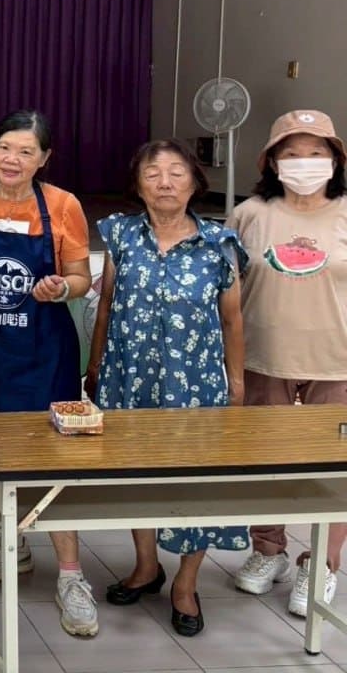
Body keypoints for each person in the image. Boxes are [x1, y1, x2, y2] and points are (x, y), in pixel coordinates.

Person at [0, 111, 97, 638]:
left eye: (26, 151)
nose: (13, 159)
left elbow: (81, 277)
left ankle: (73, 577)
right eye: (5, 148)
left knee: (54, 455)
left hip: (42, 349)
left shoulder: (62, 205)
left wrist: (63, 288)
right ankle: (14, 542)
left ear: (45, 158)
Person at [88, 139, 247, 638]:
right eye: (152, 173)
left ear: (196, 183)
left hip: (196, 385)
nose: (164, 182)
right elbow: (108, 305)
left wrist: (236, 380)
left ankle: (186, 582)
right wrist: (94, 368)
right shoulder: (120, 236)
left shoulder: (219, 244)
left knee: (193, 479)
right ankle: (145, 566)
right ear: (137, 185)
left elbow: (232, 318)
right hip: (128, 376)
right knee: (135, 475)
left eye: (177, 172)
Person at [228, 109, 347, 616]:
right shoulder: (251, 212)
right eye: (291, 154)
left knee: (337, 468)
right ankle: (267, 550)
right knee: (264, 460)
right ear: (272, 162)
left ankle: (322, 562)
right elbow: (227, 286)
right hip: (264, 356)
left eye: (316, 152)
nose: (304, 163)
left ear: (335, 160)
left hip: (337, 361)